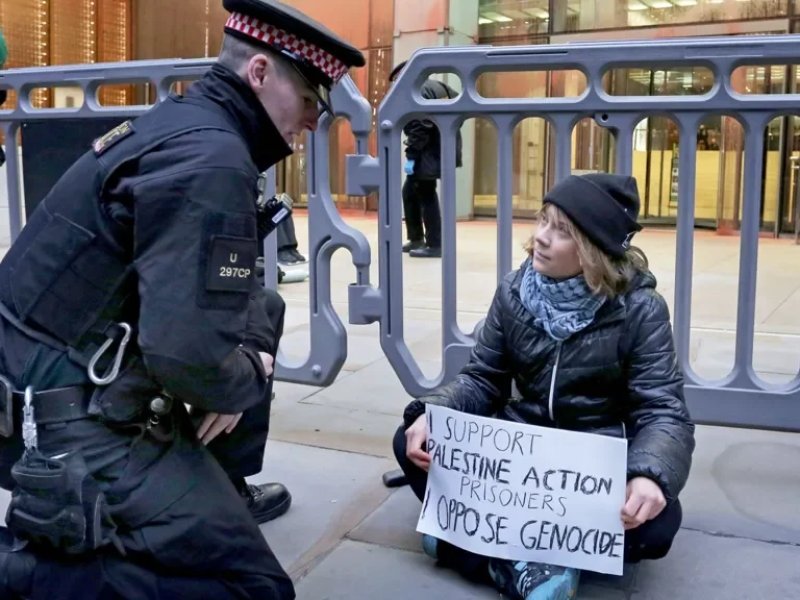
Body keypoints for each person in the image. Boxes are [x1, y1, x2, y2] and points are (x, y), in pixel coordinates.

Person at [0, 0, 363, 598]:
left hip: (50, 376)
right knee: (249, 585)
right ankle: (23, 576)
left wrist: (239, 360)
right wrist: (247, 374)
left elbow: (222, 289)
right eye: (308, 102)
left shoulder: (186, 126)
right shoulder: (211, 159)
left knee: (260, 314)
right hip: (64, 418)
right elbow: (187, 358)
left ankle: (208, 488)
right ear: (260, 74)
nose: (309, 124)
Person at [393, 173, 695, 599]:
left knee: (660, 523)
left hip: (591, 467)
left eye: (562, 231)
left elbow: (663, 411)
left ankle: (469, 546)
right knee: (413, 437)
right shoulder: (515, 291)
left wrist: (648, 477)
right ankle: (529, 561)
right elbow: (482, 377)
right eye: (542, 221)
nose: (540, 238)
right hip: (519, 458)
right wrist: (433, 411)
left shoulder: (640, 310)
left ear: (595, 249)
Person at [389, 60, 462, 259]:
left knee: (426, 194)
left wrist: (411, 157)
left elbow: (419, 128)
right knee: (411, 192)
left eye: (396, 80)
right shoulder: (439, 87)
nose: (395, 84)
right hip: (443, 148)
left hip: (427, 153)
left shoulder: (415, 90)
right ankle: (416, 238)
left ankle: (435, 244)